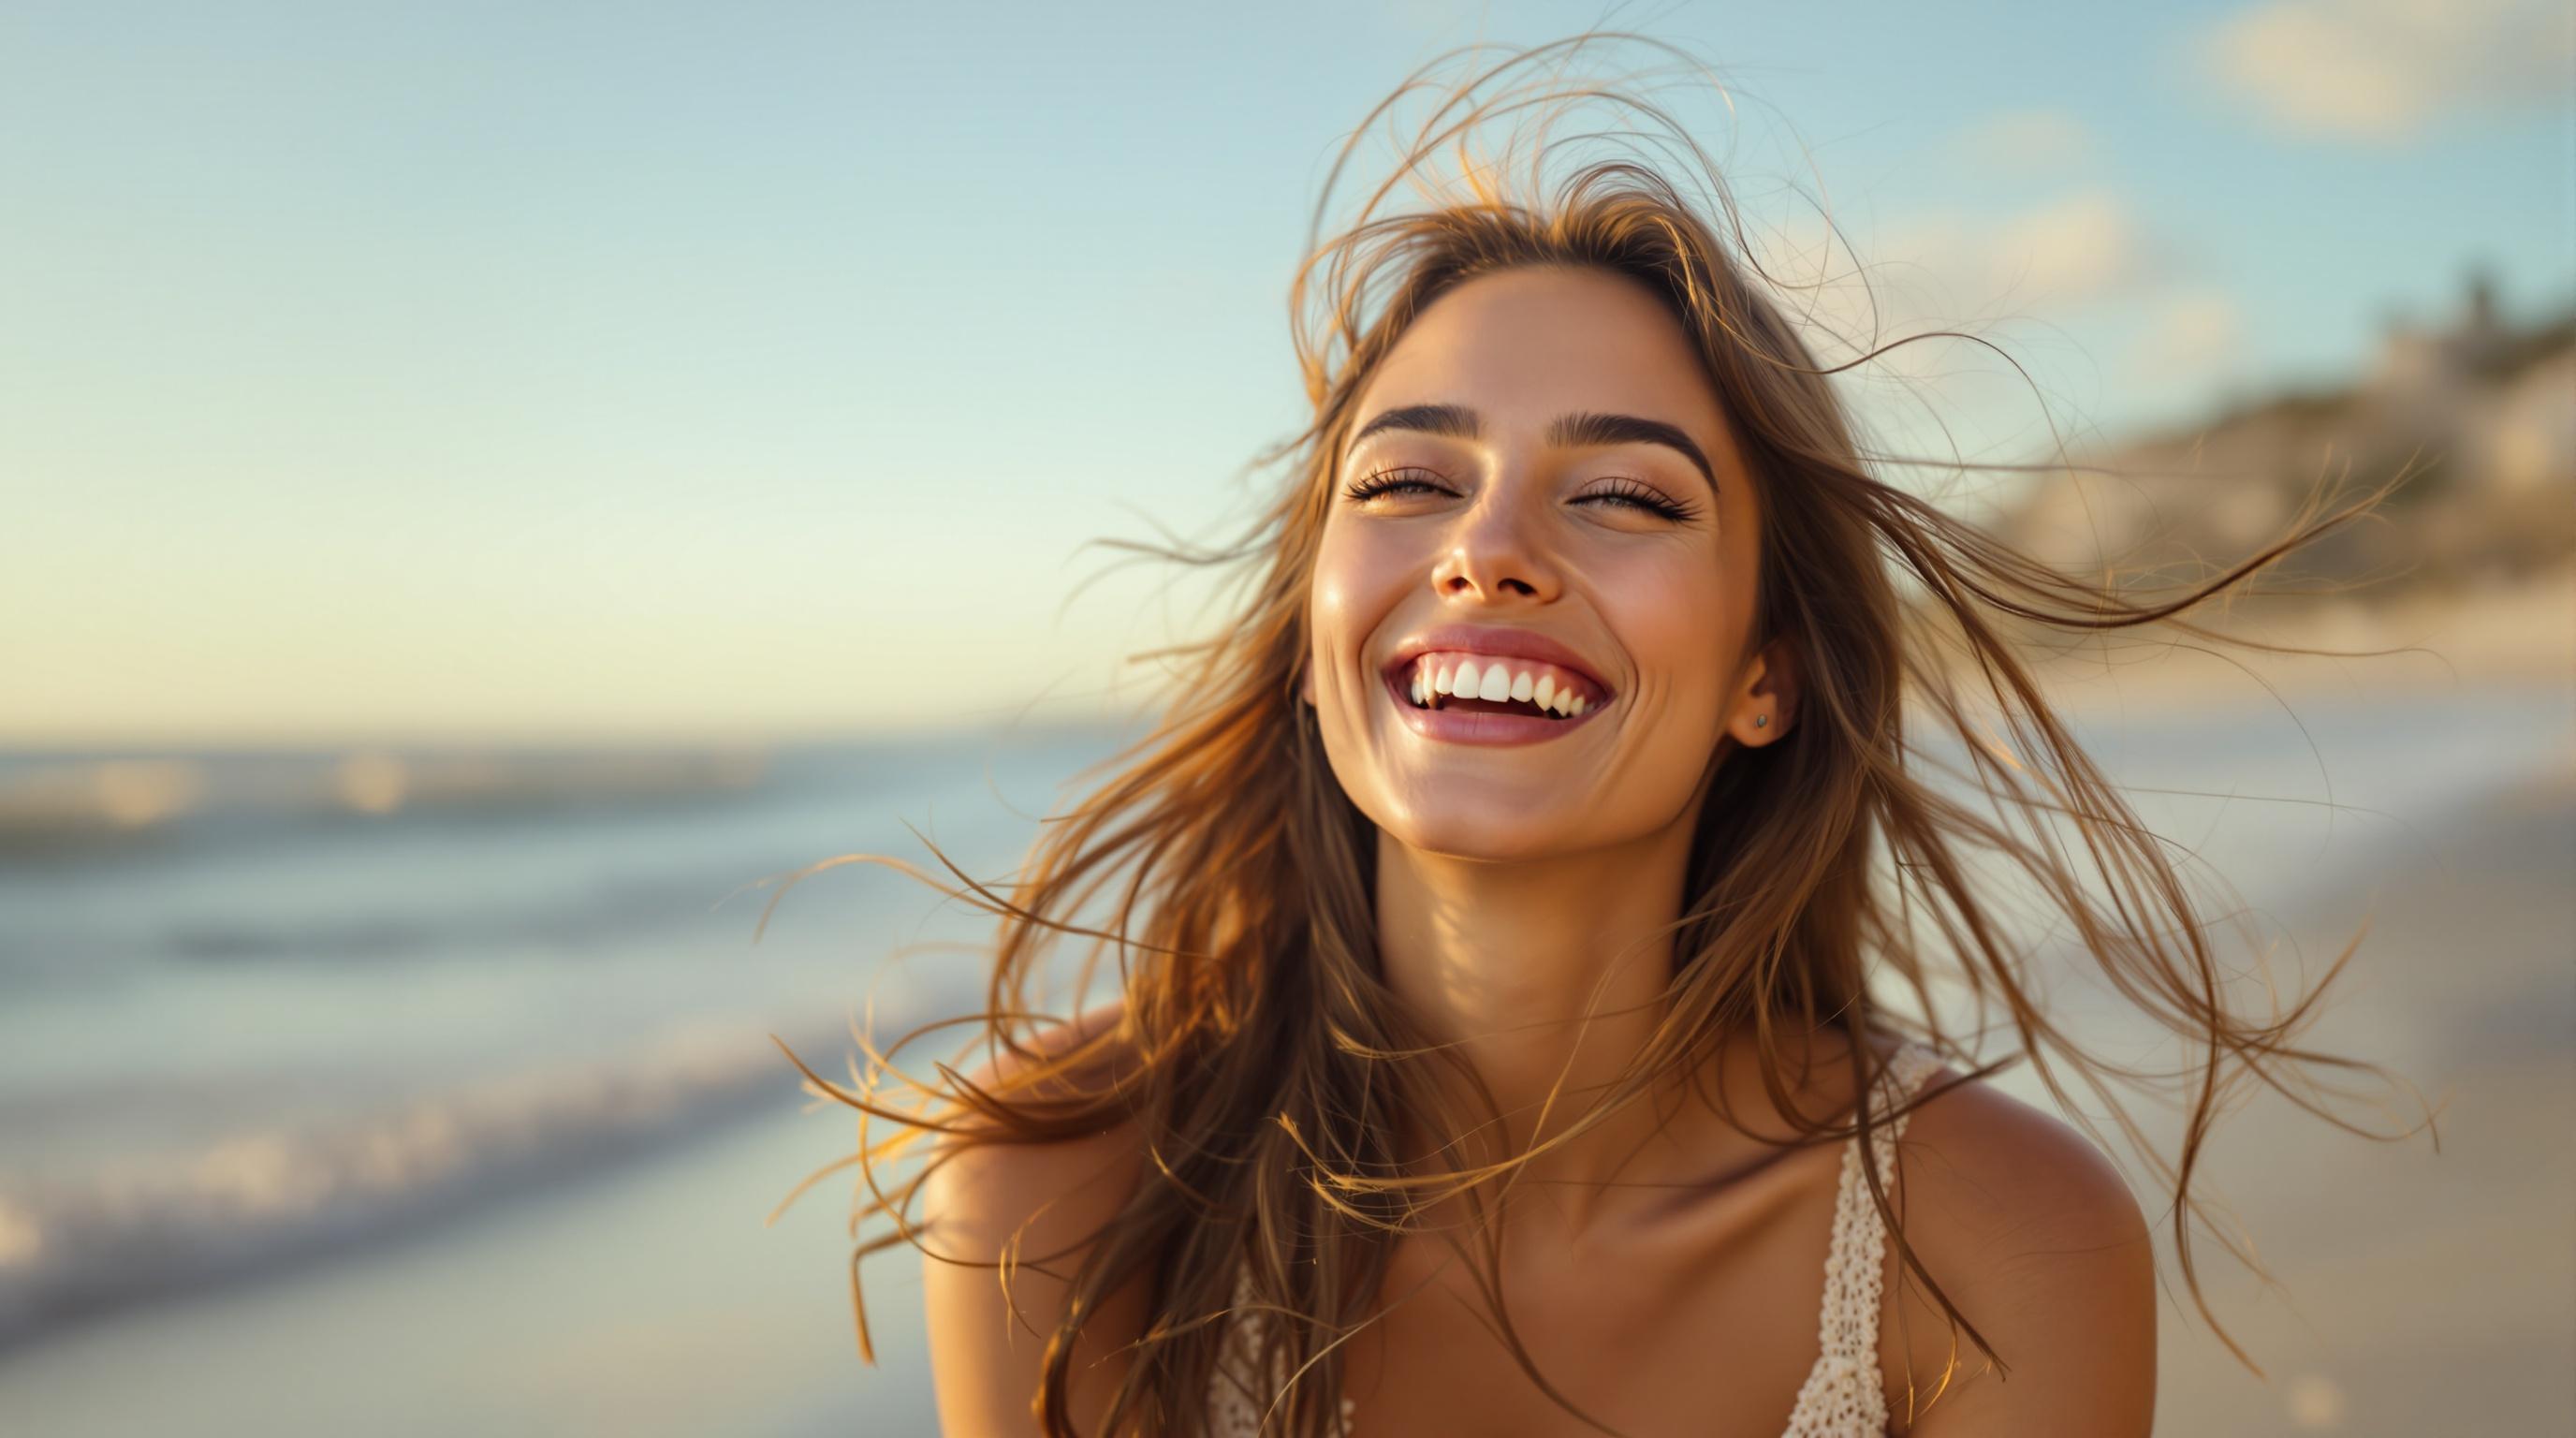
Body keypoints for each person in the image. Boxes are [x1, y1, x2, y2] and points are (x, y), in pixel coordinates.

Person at [768, 34, 2401, 1438]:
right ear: (1316, 641)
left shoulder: (1992, 1252)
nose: (1485, 547)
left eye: (1624, 494)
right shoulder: (1065, 1194)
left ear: (1768, 671)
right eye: (1407, 481)